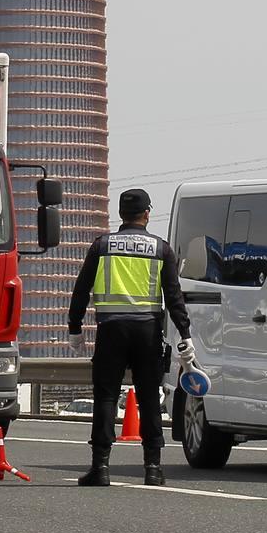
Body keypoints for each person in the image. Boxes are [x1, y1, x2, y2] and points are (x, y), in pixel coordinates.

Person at [68, 188, 193, 486]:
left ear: (121, 215)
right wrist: (185, 334)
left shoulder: (102, 246)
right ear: (147, 213)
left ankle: (100, 467)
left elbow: (81, 289)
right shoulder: (161, 249)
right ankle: (153, 468)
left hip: (111, 329)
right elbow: (174, 297)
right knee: (150, 397)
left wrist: (75, 328)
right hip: (148, 330)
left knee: (107, 396)